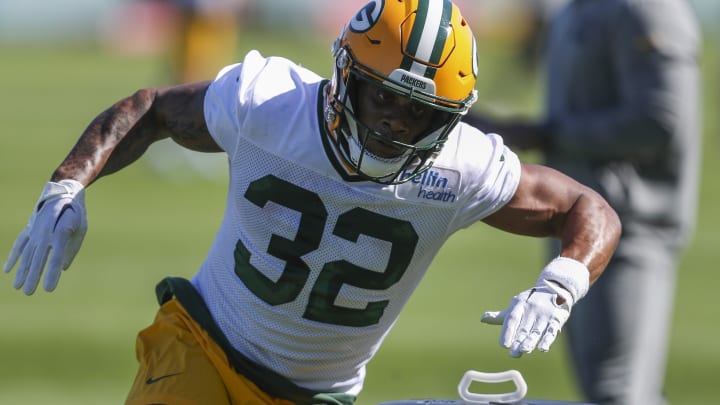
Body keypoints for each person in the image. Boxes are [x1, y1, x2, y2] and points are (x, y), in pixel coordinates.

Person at [3, 1, 621, 404]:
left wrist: (562, 280)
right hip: (205, 345)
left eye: (421, 112)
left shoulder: (462, 164)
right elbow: (153, 107)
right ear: (345, 74)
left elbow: (587, 209)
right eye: (384, 98)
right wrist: (67, 184)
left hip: (320, 395)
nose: (397, 125)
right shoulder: (270, 105)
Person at [465, 0, 702, 404]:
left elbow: (661, 121)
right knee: (611, 389)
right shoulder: (574, 9)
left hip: (631, 227)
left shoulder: (648, 8)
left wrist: (544, 134)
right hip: (577, 223)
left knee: (618, 391)